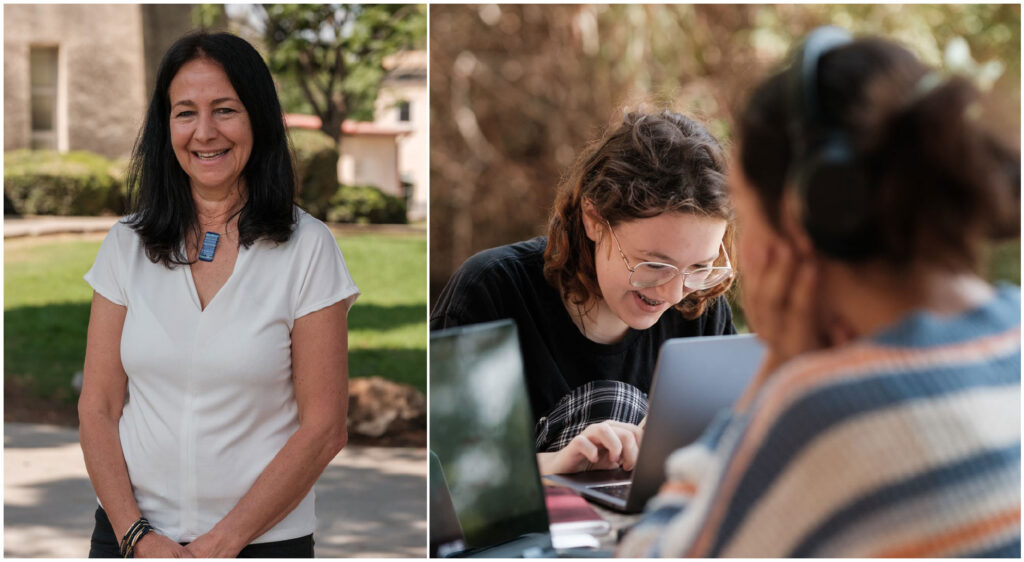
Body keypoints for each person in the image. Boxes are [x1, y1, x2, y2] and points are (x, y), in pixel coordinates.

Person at [618, 28, 1020, 557]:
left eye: (741, 206)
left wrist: (776, 374)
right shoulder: (1014, 330)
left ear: (810, 210)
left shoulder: (827, 413)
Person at [78, 31, 360, 558]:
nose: (204, 132)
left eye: (225, 110)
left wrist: (220, 544)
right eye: (185, 112)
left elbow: (324, 428)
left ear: (257, 117)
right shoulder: (125, 244)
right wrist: (138, 537)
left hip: (262, 543)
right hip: (130, 539)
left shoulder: (309, 249)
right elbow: (98, 406)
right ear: (166, 128)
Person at [431, 111, 737, 476]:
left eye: (699, 267)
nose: (673, 292)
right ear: (593, 218)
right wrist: (556, 463)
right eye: (653, 265)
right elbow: (447, 472)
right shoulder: (493, 292)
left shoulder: (701, 309)